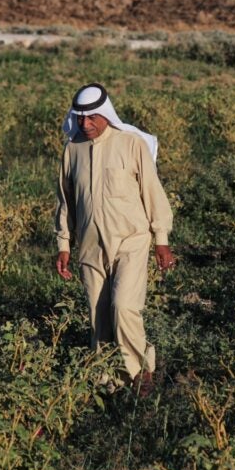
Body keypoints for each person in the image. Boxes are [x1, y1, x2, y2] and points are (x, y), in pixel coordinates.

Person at [55, 83, 175, 396]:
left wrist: (161, 238)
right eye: (81, 118)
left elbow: (152, 192)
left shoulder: (131, 144)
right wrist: (63, 244)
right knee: (100, 318)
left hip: (131, 242)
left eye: (93, 117)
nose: (86, 124)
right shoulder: (73, 149)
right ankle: (108, 385)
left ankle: (140, 376)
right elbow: (66, 202)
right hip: (91, 247)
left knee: (123, 307)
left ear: (106, 114)